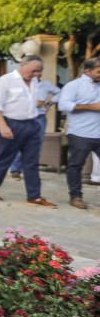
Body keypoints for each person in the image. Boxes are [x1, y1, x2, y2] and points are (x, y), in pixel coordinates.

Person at [0, 55, 57, 206]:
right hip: (11, 124)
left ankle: (34, 195)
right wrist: (3, 126)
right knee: (4, 159)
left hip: (32, 124)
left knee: (32, 161)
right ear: (23, 65)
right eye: (34, 70)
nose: (36, 74)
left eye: (39, 71)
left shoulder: (35, 82)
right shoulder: (5, 81)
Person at [57, 58, 100, 209]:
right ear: (87, 71)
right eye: (98, 71)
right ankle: (76, 196)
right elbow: (63, 105)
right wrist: (90, 107)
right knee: (76, 165)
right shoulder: (73, 85)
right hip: (80, 133)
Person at [7, 76, 60, 180]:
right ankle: (15, 169)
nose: (36, 73)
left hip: (39, 117)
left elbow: (61, 92)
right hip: (23, 117)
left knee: (36, 145)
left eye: (38, 70)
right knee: (20, 143)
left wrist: (49, 102)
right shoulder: (19, 84)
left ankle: (29, 170)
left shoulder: (46, 84)